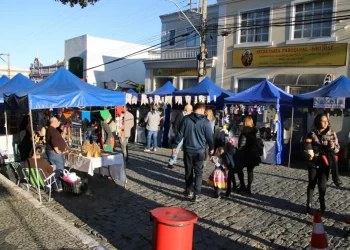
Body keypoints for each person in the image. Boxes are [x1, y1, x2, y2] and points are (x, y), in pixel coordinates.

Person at [173, 103, 214, 202]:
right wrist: (212, 147)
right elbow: (210, 137)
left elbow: (180, 134)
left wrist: (175, 145)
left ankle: (188, 190)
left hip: (188, 149)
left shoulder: (186, 119)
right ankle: (197, 194)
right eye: (203, 110)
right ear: (200, 110)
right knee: (199, 173)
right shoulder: (206, 122)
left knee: (188, 171)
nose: (204, 112)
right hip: (200, 150)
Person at [305, 114, 340, 214]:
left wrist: (333, 147)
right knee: (312, 182)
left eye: (327, 121)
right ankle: (309, 203)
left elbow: (337, 149)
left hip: (325, 162)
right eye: (323, 121)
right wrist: (308, 152)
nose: (326, 123)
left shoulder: (332, 133)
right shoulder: (311, 133)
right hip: (313, 162)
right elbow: (305, 146)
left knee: (322, 185)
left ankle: (322, 201)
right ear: (317, 122)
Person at [237, 116, 262, 194]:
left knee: (238, 169)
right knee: (250, 171)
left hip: (245, 153)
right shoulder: (256, 130)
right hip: (254, 154)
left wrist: (238, 150)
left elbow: (242, 144)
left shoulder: (244, 131)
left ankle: (242, 185)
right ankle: (249, 187)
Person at [167, 104, 193, 169]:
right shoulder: (180, 114)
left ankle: (186, 162)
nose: (192, 111)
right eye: (191, 110)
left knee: (187, 150)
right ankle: (171, 162)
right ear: (187, 109)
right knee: (176, 148)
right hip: (180, 134)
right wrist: (177, 133)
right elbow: (175, 124)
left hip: (187, 135)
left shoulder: (190, 116)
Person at [46, 117, 68, 192]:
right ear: (54, 122)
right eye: (58, 122)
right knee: (59, 169)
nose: (59, 123)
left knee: (55, 169)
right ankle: (59, 186)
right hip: (55, 153)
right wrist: (57, 150)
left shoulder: (50, 129)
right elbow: (54, 141)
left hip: (51, 152)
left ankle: (55, 185)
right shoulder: (52, 130)